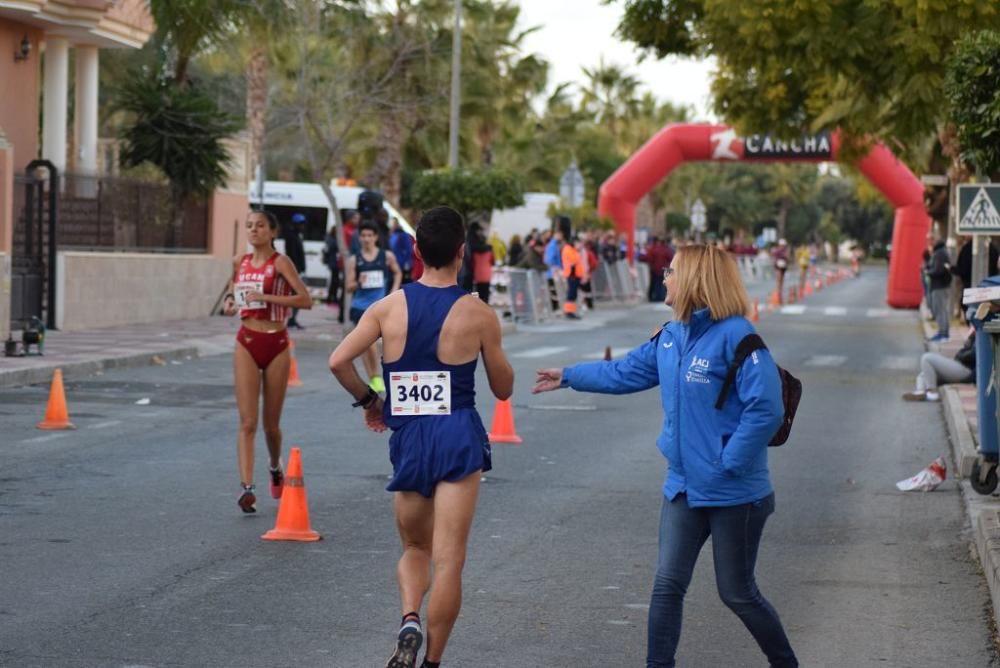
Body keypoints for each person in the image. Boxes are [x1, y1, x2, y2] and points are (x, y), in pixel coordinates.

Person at [533, 243, 798, 668]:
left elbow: (767, 408)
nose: (664, 278)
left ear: (694, 279)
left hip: (735, 494)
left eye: (672, 272)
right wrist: (569, 376)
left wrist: (728, 462)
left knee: (737, 593)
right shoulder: (671, 336)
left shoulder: (739, 338)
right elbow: (625, 372)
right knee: (666, 585)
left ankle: (785, 663)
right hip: (683, 488)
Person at [328, 206, 514, 668]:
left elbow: (337, 361)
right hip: (457, 434)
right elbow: (504, 388)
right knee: (449, 560)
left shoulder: (387, 308)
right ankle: (431, 662)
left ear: (414, 251)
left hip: (409, 434)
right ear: (461, 252)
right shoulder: (477, 313)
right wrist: (491, 343)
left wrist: (372, 402)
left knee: (414, 547)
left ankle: (409, 618)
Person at [222, 210, 312, 513]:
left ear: (272, 231)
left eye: (260, 226)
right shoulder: (240, 262)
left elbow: (305, 299)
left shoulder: (280, 263)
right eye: (249, 225)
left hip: (276, 342)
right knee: (247, 422)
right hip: (246, 340)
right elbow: (232, 295)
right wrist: (230, 303)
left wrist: (268, 298)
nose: (253, 230)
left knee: (270, 425)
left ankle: (275, 465)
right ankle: (247, 488)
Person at [346, 220, 402, 394]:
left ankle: (379, 376)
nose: (366, 239)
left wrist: (393, 291)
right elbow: (348, 286)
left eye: (370, 235)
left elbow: (398, 272)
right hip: (360, 307)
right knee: (366, 343)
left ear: (376, 237)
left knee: (382, 342)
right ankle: (374, 377)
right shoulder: (354, 260)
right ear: (359, 238)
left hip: (380, 306)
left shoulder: (386, 256)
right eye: (363, 235)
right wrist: (357, 282)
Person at [903, 329, 976, 402]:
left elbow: (970, 355)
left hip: (966, 369)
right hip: (962, 366)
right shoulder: (977, 334)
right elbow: (967, 350)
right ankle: (920, 391)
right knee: (923, 375)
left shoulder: (982, 336)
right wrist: (971, 337)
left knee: (926, 358)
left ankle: (932, 392)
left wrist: (962, 353)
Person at [284, 213, 308, 329]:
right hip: (295, 271)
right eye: (301, 224)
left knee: (298, 296)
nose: (303, 226)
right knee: (298, 295)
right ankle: (291, 319)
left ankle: (292, 319)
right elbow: (293, 255)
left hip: (299, 270)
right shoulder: (291, 236)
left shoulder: (298, 235)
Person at [926, 237, 952, 342]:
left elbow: (938, 270)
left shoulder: (939, 253)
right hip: (941, 285)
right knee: (942, 310)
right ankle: (944, 333)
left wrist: (928, 272)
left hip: (939, 285)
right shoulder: (941, 252)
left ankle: (942, 333)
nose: (929, 243)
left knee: (940, 310)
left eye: (930, 240)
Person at [561, 234, 584, 319]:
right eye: (578, 243)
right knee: (571, 294)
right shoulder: (568, 250)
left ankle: (571, 311)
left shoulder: (573, 250)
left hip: (575, 275)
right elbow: (573, 262)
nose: (579, 245)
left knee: (573, 294)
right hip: (572, 275)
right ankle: (569, 312)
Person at [391, 218, 415, 284]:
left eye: (392, 223)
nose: (391, 225)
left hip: (401, 265)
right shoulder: (390, 234)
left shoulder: (403, 235)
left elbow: (409, 250)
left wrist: (406, 264)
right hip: (393, 265)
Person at [323, 224, 341, 308]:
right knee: (334, 281)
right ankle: (331, 297)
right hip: (333, 262)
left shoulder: (330, 238)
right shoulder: (332, 239)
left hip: (334, 262)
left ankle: (332, 297)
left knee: (335, 281)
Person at [771, 239, 790, 304]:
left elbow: (788, 258)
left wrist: (786, 258)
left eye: (783, 245)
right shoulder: (776, 250)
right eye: (781, 245)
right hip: (778, 266)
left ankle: (780, 294)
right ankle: (778, 294)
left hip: (783, 267)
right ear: (779, 245)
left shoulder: (786, 251)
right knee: (778, 280)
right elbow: (773, 256)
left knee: (782, 281)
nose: (782, 246)